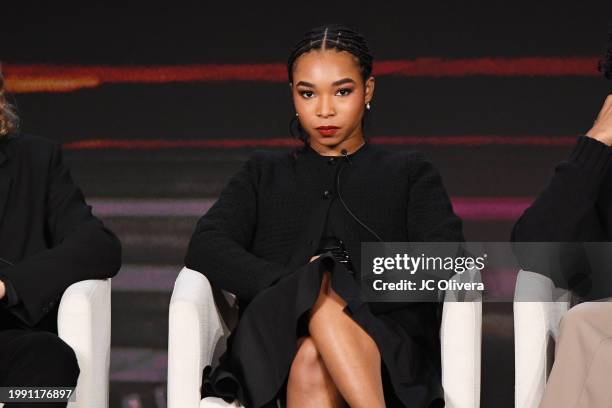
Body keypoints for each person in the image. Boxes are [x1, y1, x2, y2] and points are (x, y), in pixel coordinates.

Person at [185, 25, 463, 408]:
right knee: (316, 290)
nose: (324, 109)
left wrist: (346, 280)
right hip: (275, 342)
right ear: (293, 95)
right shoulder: (264, 172)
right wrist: (297, 282)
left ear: (368, 90)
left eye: (342, 91)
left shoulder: (409, 172)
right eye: (308, 93)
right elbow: (207, 245)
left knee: (313, 358)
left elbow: (445, 255)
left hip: (384, 340)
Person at [0, 66, 122, 408]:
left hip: (9, 341)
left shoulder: (35, 161)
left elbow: (100, 247)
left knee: (50, 360)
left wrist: (8, 284)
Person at [511, 34, 612, 408]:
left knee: (585, 326)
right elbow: (534, 248)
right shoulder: (601, 169)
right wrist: (597, 142)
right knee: (587, 327)